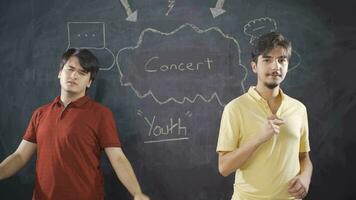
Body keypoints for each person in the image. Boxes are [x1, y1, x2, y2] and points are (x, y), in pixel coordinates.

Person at [0, 48, 150, 200]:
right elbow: (19, 156)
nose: (74, 76)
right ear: (60, 73)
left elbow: (118, 158)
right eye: (70, 69)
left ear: (89, 82)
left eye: (82, 73)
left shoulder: (101, 114)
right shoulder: (40, 114)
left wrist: (137, 193)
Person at [216, 32, 313, 199]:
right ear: (254, 66)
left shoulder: (298, 109)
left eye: (282, 60)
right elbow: (224, 167)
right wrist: (259, 138)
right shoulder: (235, 108)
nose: (276, 67)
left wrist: (306, 177)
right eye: (267, 60)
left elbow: (304, 157)